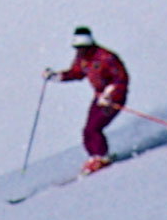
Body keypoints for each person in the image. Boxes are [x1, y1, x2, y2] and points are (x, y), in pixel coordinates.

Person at [49, 27, 129, 171]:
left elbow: (121, 79)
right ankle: (94, 157)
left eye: (82, 48)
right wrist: (58, 76)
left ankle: (102, 157)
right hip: (99, 98)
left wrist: (110, 94)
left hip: (113, 99)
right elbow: (77, 73)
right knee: (87, 131)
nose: (79, 52)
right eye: (77, 48)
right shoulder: (82, 59)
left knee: (94, 128)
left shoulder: (106, 57)